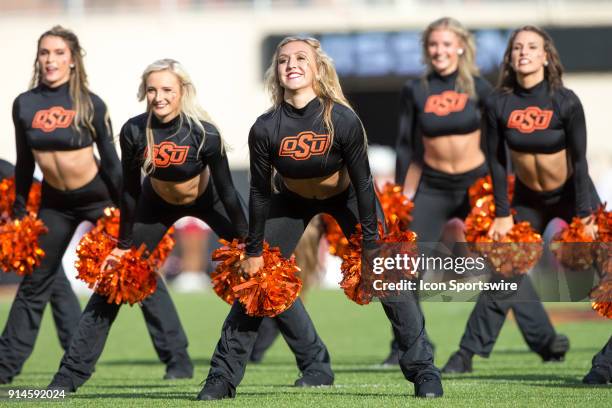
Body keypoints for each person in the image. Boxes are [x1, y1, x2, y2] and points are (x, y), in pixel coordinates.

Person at [198, 36, 442, 401]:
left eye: (300, 58)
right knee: (255, 282)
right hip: (292, 200)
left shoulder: (341, 118)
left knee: (389, 276)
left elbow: (363, 182)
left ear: (317, 69)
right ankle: (222, 378)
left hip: (347, 198)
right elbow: (260, 193)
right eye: (283, 60)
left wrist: (373, 246)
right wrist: (253, 250)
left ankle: (425, 372)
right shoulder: (265, 127)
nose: (291, 64)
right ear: (277, 72)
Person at [0, 26, 192, 385]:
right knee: (34, 282)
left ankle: (177, 360)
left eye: (59, 53)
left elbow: (113, 162)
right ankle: (5, 367)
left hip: (100, 197)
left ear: (72, 61)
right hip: (55, 203)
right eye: (45, 53)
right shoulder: (24, 104)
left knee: (138, 274)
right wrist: (23, 207)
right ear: (38, 58)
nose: (51, 59)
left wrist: (127, 210)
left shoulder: (90, 103)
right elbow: (25, 161)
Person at [47, 58, 250, 392]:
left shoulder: (204, 132)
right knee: (113, 278)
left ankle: (314, 362)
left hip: (209, 199)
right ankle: (66, 378)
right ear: (144, 92)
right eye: (152, 89)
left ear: (182, 91)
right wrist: (123, 244)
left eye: (167, 89)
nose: (159, 96)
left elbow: (228, 191)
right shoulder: (133, 131)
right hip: (155, 205)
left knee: (267, 274)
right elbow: (129, 191)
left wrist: (247, 242)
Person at [443, 25, 600, 373]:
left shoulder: (566, 100)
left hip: (575, 195)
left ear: (546, 56)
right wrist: (502, 213)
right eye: (517, 48)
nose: (524, 52)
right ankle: (466, 354)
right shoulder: (499, 103)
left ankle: (604, 363)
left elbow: (580, 160)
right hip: (528, 198)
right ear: (510, 58)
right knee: (505, 271)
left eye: (532, 47)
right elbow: (498, 163)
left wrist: (587, 213)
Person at [385, 16, 492, 366]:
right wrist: (401, 196)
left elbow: (497, 141)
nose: (439, 50)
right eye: (433, 44)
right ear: (426, 50)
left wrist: (498, 191)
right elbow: (404, 146)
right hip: (432, 185)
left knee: (508, 259)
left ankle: (545, 340)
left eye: (446, 44)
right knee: (403, 262)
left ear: (460, 46)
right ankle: (407, 343)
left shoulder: (479, 87)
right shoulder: (415, 89)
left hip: (475, 183)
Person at [0, 159, 81, 356]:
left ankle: (77, 350)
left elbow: (34, 190)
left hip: (27, 230)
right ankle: (77, 349)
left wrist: (20, 226)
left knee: (54, 283)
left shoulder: (3, 169)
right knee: (55, 284)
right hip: (18, 229)